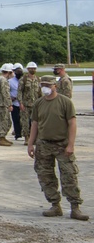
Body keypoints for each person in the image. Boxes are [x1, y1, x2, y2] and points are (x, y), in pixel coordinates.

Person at [27, 75, 88, 221]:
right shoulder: (39, 103)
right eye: (43, 85)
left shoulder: (65, 102)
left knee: (69, 176)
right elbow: (35, 123)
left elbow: (72, 123)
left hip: (62, 144)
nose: (45, 87)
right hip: (43, 145)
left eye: (48, 85)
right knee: (45, 176)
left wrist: (71, 144)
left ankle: (75, 207)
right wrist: (31, 143)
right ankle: (55, 205)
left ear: (55, 86)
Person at [19, 62, 42, 141]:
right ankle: (26, 137)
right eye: (31, 68)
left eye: (34, 69)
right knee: (25, 122)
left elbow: (40, 92)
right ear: (28, 69)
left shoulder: (38, 79)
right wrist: (21, 103)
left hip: (35, 104)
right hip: (25, 104)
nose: (33, 70)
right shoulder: (23, 79)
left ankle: (34, 137)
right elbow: (19, 92)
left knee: (35, 122)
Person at [0, 63, 14, 146]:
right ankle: (1, 138)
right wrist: (9, 104)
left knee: (2, 121)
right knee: (4, 121)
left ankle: (3, 137)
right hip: (2, 104)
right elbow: (5, 93)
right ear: (9, 72)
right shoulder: (3, 80)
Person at [10, 63, 24, 140]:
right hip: (15, 104)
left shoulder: (25, 80)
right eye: (17, 71)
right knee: (16, 120)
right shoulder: (10, 81)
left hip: (24, 104)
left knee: (26, 120)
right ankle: (18, 134)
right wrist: (11, 98)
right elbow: (7, 92)